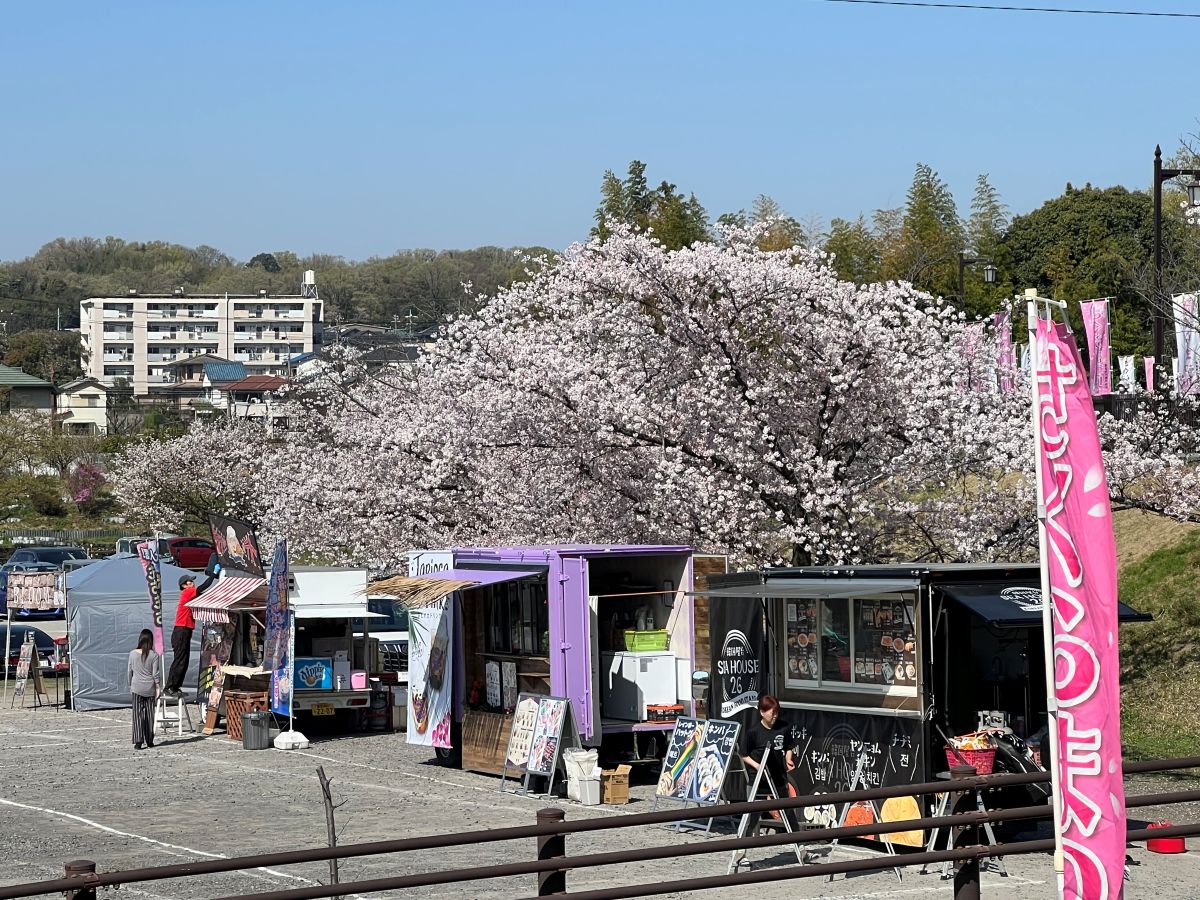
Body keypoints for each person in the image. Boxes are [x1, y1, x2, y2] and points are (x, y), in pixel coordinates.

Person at [740, 695, 799, 833]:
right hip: (758, 779)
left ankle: (800, 848)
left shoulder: (783, 727)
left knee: (789, 814)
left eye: (777, 712)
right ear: (762, 712)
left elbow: (789, 746)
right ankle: (740, 850)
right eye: (772, 713)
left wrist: (788, 758)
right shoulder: (753, 732)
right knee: (751, 817)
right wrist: (757, 766)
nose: (775, 716)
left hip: (778, 777)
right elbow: (743, 754)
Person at [165, 575, 196, 698]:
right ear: (184, 585)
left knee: (184, 660)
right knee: (179, 660)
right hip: (181, 630)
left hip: (185, 630)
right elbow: (204, 587)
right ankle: (169, 687)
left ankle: (176, 686)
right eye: (190, 581)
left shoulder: (190, 593)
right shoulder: (187, 592)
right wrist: (213, 576)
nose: (192, 583)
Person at [128, 628, 160, 749]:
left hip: (136, 687)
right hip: (149, 688)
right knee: (150, 715)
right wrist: (158, 686)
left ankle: (138, 741)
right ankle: (150, 740)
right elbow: (155, 674)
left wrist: (130, 685)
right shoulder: (154, 655)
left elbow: (129, 671)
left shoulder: (132, 654)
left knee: (137, 715)